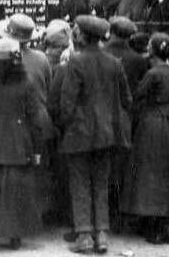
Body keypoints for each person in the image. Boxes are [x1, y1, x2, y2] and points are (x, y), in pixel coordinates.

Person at [60, 15, 132, 254]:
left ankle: (84, 236)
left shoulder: (76, 62)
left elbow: (67, 103)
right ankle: (101, 235)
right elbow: (127, 100)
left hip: (79, 133)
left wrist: (67, 125)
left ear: (82, 35)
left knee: (80, 184)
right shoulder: (114, 63)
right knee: (101, 184)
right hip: (106, 134)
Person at [0, 37, 46, 252]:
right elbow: (35, 117)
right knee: (15, 189)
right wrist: (37, 148)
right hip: (18, 141)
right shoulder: (27, 81)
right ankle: (15, 237)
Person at [120, 33, 169, 244]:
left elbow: (137, 96)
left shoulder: (153, 73)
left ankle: (153, 223)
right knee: (165, 172)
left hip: (151, 125)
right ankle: (164, 222)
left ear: (154, 50)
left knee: (148, 172)